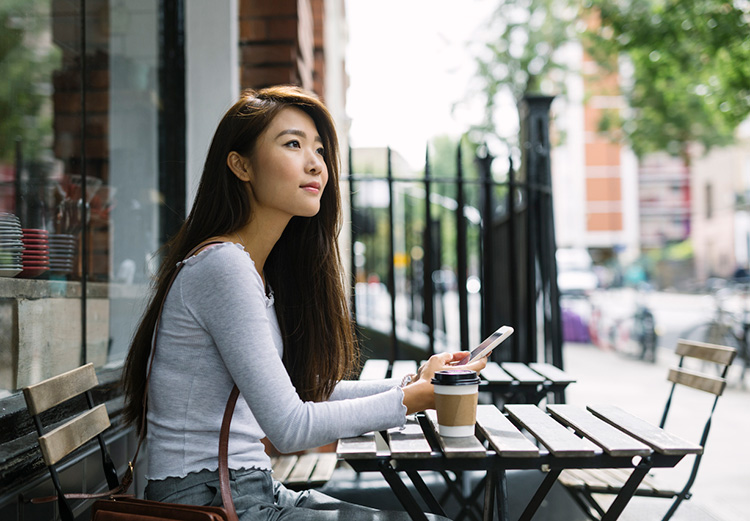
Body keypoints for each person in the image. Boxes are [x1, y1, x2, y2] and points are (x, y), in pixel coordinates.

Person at [122, 85, 487, 520]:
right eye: (293, 144)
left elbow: (301, 393)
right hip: (208, 503)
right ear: (241, 165)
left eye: (318, 149)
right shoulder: (224, 268)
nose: (316, 162)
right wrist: (415, 400)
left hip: (244, 489)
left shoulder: (251, 271)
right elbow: (291, 426)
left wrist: (413, 382)